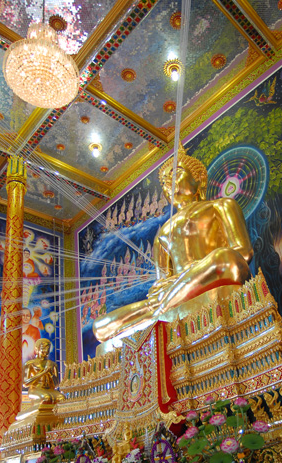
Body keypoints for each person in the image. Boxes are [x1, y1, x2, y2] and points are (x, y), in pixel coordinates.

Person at [93, 143, 253, 343]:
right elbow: (162, 282)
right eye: (166, 181)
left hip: (209, 273)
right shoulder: (163, 232)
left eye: (176, 174)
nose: (170, 183)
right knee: (100, 327)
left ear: (199, 180)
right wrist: (162, 291)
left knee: (226, 258)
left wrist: (190, 273)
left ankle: (158, 315)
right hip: (175, 292)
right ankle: (160, 312)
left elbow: (243, 252)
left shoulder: (221, 206)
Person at [17, 338, 65, 421]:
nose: (46, 351)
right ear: (37, 349)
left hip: (49, 389)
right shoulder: (30, 364)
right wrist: (43, 372)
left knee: (62, 398)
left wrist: (50, 373)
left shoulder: (52, 364)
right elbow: (25, 383)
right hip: (35, 389)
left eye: (48, 349)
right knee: (46, 398)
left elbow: (56, 384)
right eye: (43, 348)